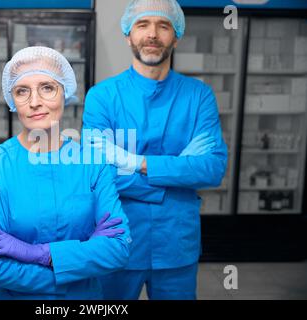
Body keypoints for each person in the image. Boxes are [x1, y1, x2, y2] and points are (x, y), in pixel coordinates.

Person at [82, 0, 228, 300]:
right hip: (117, 240)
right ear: (128, 35)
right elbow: (94, 174)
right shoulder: (103, 97)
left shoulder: (198, 96)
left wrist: (134, 162)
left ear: (176, 36)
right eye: (142, 25)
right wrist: (174, 175)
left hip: (175, 245)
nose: (152, 34)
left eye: (164, 26)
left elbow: (212, 168)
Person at [0, 46, 131, 300]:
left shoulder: (93, 162)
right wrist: (82, 262)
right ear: (12, 99)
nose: (35, 102)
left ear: (65, 92)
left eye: (47, 87)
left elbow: (118, 249)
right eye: (22, 91)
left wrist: (39, 254)